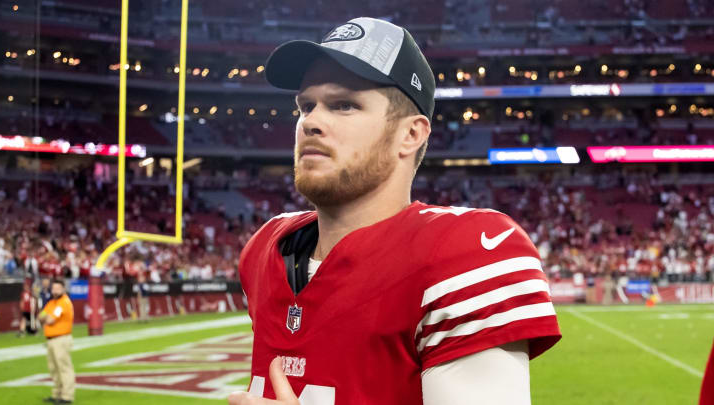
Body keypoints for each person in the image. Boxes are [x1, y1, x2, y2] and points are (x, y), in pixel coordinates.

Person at [229, 17, 561, 405]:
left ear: (410, 134)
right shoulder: (264, 250)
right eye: (306, 106)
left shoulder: (462, 253)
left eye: (344, 105)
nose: (311, 122)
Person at [39, 278, 75, 404]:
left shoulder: (64, 302)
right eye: (53, 288)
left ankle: (67, 396)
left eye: (58, 288)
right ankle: (57, 393)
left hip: (61, 338)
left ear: (63, 289)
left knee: (64, 368)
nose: (55, 290)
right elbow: (40, 316)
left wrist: (46, 317)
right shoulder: (52, 303)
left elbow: (49, 320)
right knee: (54, 369)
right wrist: (45, 317)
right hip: (51, 339)